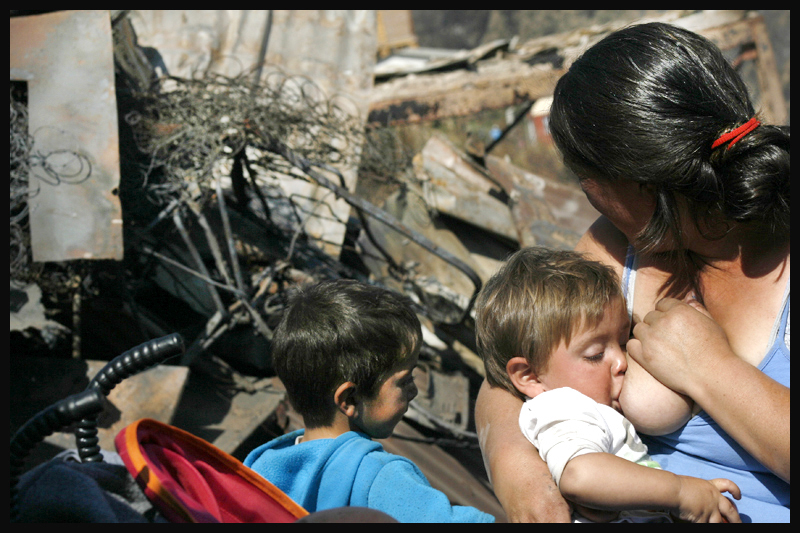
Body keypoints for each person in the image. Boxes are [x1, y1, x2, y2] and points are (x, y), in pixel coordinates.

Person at [475, 22, 789, 523]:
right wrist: (516, 469)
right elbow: (512, 369)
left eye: (586, 179)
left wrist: (712, 370)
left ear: (637, 179)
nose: (589, 198)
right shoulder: (615, 249)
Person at [475, 246, 741, 522]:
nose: (622, 361)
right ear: (530, 376)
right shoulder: (564, 408)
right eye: (595, 355)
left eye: (624, 342)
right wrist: (680, 492)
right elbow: (580, 476)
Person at [244, 279, 495, 523]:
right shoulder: (381, 478)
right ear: (349, 399)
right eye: (405, 380)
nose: (414, 391)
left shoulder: (261, 470)